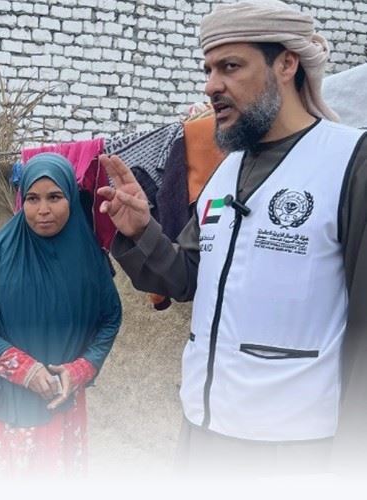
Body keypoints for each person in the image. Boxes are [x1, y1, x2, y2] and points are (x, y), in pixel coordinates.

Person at [97, 0, 367, 474]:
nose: (211, 86)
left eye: (230, 67)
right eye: (208, 69)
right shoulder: (225, 172)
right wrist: (142, 229)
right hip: (203, 430)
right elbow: (189, 279)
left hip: (295, 448)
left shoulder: (350, 161)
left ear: (286, 64)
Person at [0, 152, 122, 475]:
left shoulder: (89, 259)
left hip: (60, 398)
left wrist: (80, 369)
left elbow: (110, 318)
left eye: (54, 197)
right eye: (32, 199)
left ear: (71, 197)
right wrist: (25, 370)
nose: (43, 209)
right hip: (4, 400)